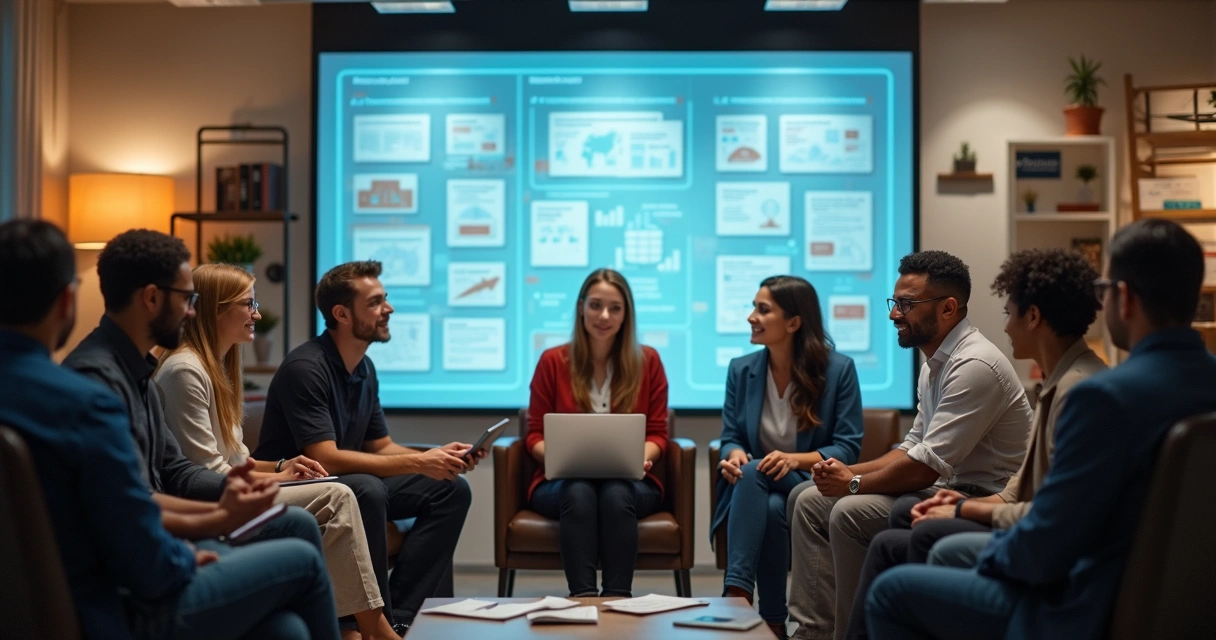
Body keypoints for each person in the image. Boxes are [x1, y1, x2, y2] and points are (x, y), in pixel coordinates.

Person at [867, 219, 1216, 640]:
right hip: (1181, 608)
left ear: (1122, 297)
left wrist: (974, 545)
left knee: (893, 588)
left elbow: (1043, 550)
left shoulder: (1103, 397)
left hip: (1079, 605)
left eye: (1104, 290)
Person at [0, 219, 339, 640]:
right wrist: (192, 547)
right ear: (67, 300)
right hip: (117, 605)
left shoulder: (120, 376)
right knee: (302, 560)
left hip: (49, 605)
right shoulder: (88, 397)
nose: (193, 311)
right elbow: (135, 534)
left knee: (285, 630)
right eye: (187, 299)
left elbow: (167, 473)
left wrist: (229, 496)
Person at [843, 248, 1106, 640]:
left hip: (1049, 557)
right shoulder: (1061, 381)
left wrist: (965, 507)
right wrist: (961, 504)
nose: (1005, 327)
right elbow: (1024, 488)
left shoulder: (1078, 390)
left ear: (1033, 317)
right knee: (900, 525)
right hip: (1019, 516)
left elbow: (1056, 514)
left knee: (918, 536)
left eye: (1009, 313)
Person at [786, 250, 1032, 640]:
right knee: (808, 497)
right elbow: (913, 446)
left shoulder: (975, 365)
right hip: (945, 486)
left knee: (848, 511)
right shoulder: (935, 362)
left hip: (982, 496)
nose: (893, 314)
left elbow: (925, 467)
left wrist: (853, 484)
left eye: (906, 305)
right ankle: (814, 633)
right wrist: (847, 474)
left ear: (948, 308)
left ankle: (852, 635)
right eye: (894, 302)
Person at [155, 263, 398, 640]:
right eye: (248, 304)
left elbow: (235, 460)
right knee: (338, 495)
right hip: (209, 500)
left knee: (345, 493)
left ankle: (356, 629)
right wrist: (273, 478)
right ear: (216, 309)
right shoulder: (184, 371)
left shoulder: (215, 366)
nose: (256, 314)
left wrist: (282, 467)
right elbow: (206, 472)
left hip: (226, 487)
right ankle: (373, 629)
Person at [63, 229, 323, 549]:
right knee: (302, 544)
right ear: (152, 298)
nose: (191, 312)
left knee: (299, 524)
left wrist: (236, 493)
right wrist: (212, 524)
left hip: (163, 536)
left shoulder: (138, 372)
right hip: (147, 557)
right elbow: (125, 504)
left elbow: (177, 470)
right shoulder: (98, 379)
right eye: (187, 299)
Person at [254, 260, 479, 628]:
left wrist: (438, 457)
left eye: (384, 299)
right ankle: (372, 625)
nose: (388, 309)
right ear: (342, 314)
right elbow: (325, 458)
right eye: (375, 302)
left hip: (346, 481)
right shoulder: (305, 368)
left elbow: (381, 446)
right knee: (366, 489)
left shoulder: (364, 367)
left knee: (450, 490)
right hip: (296, 485)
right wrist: (420, 463)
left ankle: (404, 618)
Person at [714, 276, 864, 639]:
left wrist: (795, 460)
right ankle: (774, 623)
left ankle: (736, 592)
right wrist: (734, 453)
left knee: (755, 473)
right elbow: (731, 436)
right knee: (766, 502)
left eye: (763, 310)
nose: (751, 317)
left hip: (810, 483)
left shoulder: (838, 370)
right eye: (753, 307)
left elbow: (847, 446)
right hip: (759, 491)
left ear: (794, 322)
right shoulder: (741, 369)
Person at [525, 268, 669, 598]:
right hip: (561, 483)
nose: (604, 316)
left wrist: (640, 458)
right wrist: (559, 459)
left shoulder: (648, 361)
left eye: (614, 308)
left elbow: (658, 433)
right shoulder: (552, 361)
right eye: (595, 305)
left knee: (616, 493)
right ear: (581, 308)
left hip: (630, 483)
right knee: (579, 491)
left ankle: (618, 599)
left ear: (626, 314)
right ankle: (584, 598)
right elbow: (534, 434)